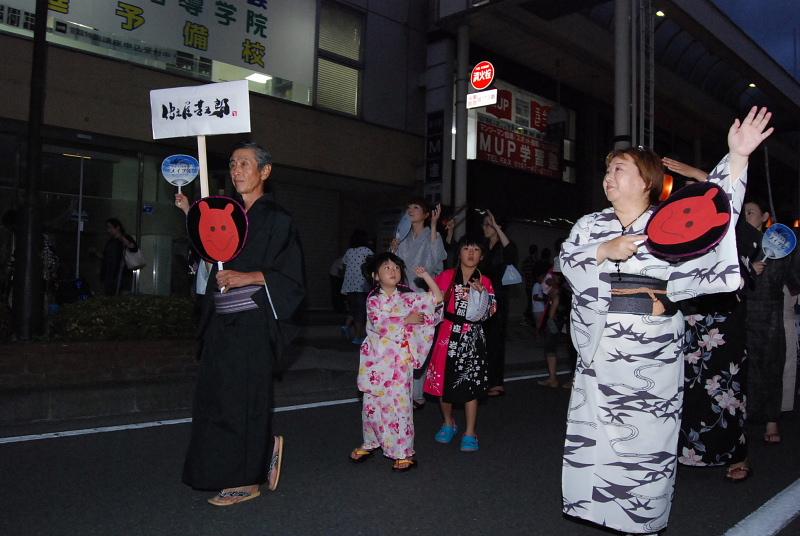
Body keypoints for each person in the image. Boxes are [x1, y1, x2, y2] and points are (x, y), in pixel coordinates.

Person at [559, 107, 773, 535]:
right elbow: (568, 261)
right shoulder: (589, 225)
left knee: (646, 440)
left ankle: (642, 523)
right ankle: (600, 514)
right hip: (601, 346)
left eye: (619, 169)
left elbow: (714, 211)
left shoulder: (669, 223)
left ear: (646, 180)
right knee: (597, 438)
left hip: (652, 348)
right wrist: (603, 252)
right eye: (608, 170)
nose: (609, 176)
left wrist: (737, 159)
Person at [177, 141, 305, 506]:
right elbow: (211, 260)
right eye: (233, 164)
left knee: (244, 397)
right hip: (220, 318)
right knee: (215, 395)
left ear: (265, 172)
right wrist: (194, 219)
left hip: (253, 317)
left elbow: (292, 276)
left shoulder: (278, 219)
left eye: (245, 164)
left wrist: (247, 276)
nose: (236, 171)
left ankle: (248, 480)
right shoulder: (226, 215)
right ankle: (249, 454)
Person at [662, 158, 757, 482]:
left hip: (725, 317)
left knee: (727, 387)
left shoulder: (730, 227)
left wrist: (696, 174)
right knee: (687, 386)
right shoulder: (678, 233)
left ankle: (736, 453)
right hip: (688, 318)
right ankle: (687, 451)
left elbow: (728, 202)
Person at [350, 253, 443, 471]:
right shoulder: (373, 300)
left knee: (400, 406)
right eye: (387, 267)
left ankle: (403, 451)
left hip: (400, 361)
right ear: (375, 276)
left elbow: (436, 299)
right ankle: (371, 441)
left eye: (396, 268)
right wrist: (406, 320)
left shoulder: (408, 297)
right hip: (375, 362)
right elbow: (380, 324)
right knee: (371, 404)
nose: (393, 271)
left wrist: (427, 276)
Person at [424, 235, 497, 452]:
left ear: (481, 256)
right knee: (443, 381)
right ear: (460, 253)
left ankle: (470, 432)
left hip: (471, 336)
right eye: (466, 248)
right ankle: (448, 423)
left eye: (476, 249)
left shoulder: (485, 280)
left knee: (470, 384)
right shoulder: (446, 276)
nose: (471, 253)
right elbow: (432, 302)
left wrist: (483, 296)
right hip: (447, 334)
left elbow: (491, 311)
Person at [742, 198, 800, 445]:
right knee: (742, 368)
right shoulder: (737, 244)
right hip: (742, 311)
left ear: (765, 216)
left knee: (772, 365)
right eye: (743, 212)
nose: (746, 216)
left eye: (752, 212)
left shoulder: (782, 247)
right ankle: (740, 419)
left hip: (771, 314)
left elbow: (795, 281)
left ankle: (771, 420)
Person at [392, 198, 448, 409]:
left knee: (421, 344)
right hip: (404, 296)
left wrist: (434, 226)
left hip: (424, 295)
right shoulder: (403, 239)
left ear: (426, 214)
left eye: (415, 207)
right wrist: (394, 249)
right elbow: (393, 268)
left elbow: (436, 261)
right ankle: (405, 391)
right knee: (404, 343)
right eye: (408, 208)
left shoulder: (432, 235)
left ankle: (417, 394)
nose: (410, 211)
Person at [480, 210, 518, 397]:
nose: (485, 227)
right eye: (485, 224)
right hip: (482, 298)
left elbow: (511, 254)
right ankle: (486, 379)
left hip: (498, 298)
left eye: (488, 224)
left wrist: (496, 226)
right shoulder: (485, 247)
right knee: (484, 339)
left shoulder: (505, 246)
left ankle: (497, 383)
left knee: (495, 339)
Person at [341, 230, 373, 345]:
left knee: (353, 309)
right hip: (361, 285)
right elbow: (372, 264)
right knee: (361, 312)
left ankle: (346, 326)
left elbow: (343, 265)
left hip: (349, 285)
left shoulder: (349, 252)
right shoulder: (367, 251)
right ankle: (357, 336)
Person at [101, 218, 139, 296]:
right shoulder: (110, 242)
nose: (108, 230)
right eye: (107, 228)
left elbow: (133, 248)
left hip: (123, 275)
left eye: (110, 227)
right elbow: (106, 258)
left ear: (117, 228)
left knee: (122, 297)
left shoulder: (125, 238)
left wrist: (121, 238)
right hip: (110, 276)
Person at [520, 244, 539, 324]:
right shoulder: (534, 261)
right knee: (532, 304)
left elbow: (523, 271)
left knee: (530, 302)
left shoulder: (526, 261)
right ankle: (527, 318)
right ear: (535, 251)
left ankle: (528, 319)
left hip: (528, 285)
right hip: (532, 285)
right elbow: (535, 273)